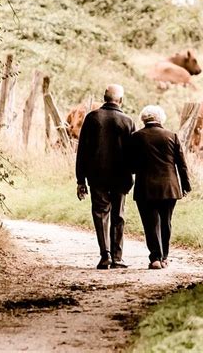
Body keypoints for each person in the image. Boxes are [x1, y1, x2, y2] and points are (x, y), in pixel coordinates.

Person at [76, 84, 136, 269]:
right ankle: (118, 257)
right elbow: (133, 153)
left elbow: (82, 151)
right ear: (121, 100)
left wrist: (81, 180)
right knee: (118, 215)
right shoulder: (128, 121)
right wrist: (132, 173)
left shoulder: (92, 118)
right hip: (121, 176)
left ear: (104, 97)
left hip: (97, 176)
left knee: (101, 213)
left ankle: (105, 255)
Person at [129, 105, 191, 270]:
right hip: (169, 187)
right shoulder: (172, 136)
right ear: (161, 119)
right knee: (166, 222)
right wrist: (185, 186)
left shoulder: (136, 137)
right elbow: (182, 165)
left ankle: (155, 257)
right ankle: (164, 257)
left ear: (144, 119)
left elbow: (131, 165)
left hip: (145, 187)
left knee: (150, 223)